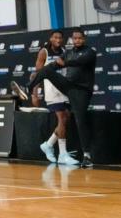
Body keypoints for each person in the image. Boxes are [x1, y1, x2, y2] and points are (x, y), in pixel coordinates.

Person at [12, 28, 96, 168]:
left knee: (79, 121)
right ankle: (27, 87)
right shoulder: (68, 52)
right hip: (68, 86)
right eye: (75, 38)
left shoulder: (89, 52)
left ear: (84, 39)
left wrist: (65, 62)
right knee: (46, 70)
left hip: (82, 92)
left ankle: (87, 156)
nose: (77, 41)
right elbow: (55, 64)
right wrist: (36, 85)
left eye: (80, 38)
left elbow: (79, 61)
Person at [33, 30, 76, 165]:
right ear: (51, 39)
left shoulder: (64, 51)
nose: (58, 39)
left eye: (60, 38)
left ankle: (48, 144)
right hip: (51, 90)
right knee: (62, 118)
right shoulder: (44, 52)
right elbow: (37, 74)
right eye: (55, 37)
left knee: (66, 118)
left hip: (63, 88)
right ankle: (62, 154)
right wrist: (35, 93)